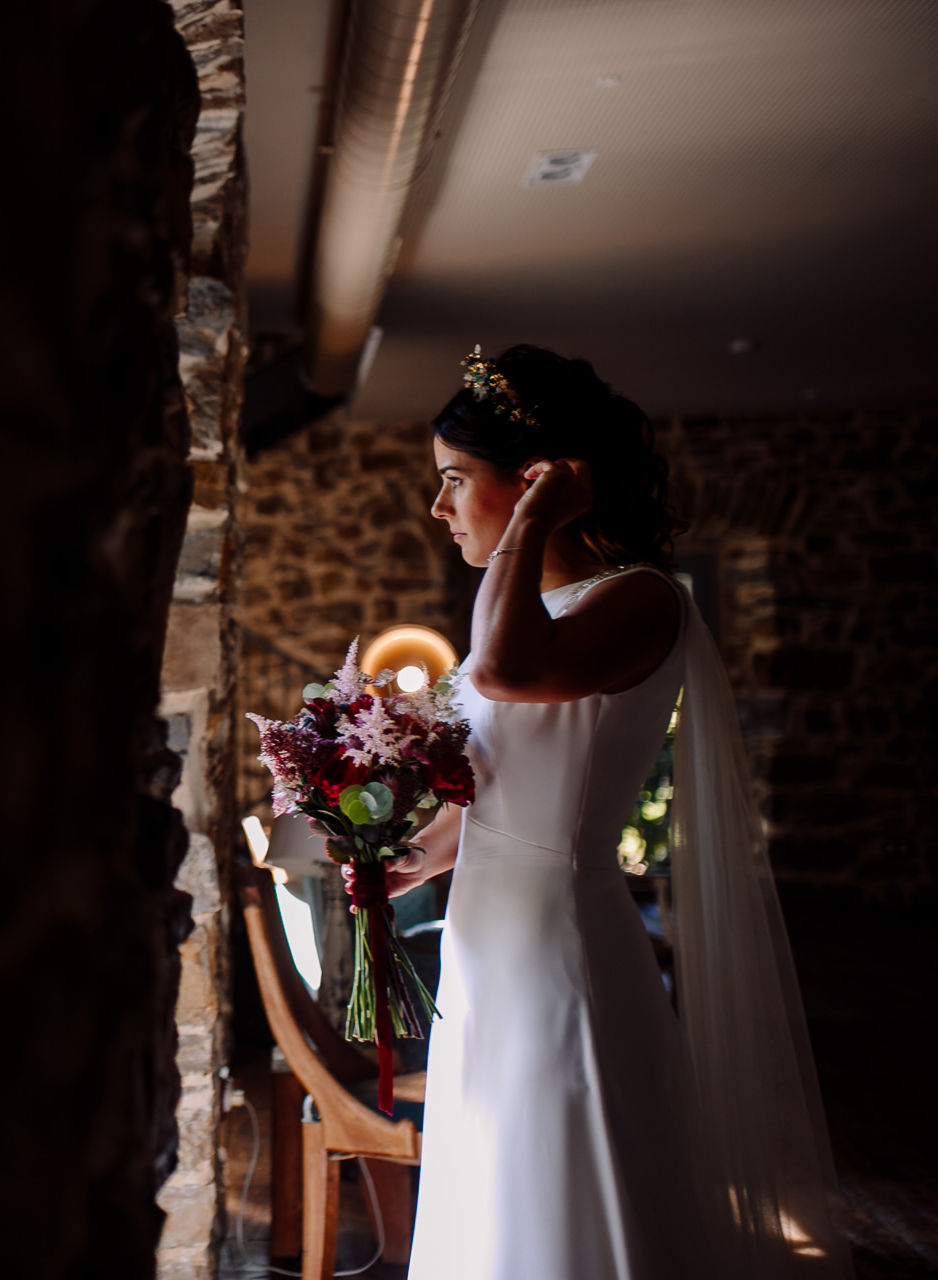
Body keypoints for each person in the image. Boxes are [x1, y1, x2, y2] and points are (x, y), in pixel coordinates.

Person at [318, 346, 850, 1279]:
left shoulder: (639, 601)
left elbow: (502, 675)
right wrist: (415, 852)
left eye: (453, 481)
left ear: (535, 484)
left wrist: (530, 522)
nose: (437, 508)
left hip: (562, 944)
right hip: (488, 946)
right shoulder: (531, 606)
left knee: (570, 1167)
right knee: (498, 1175)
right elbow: (495, 782)